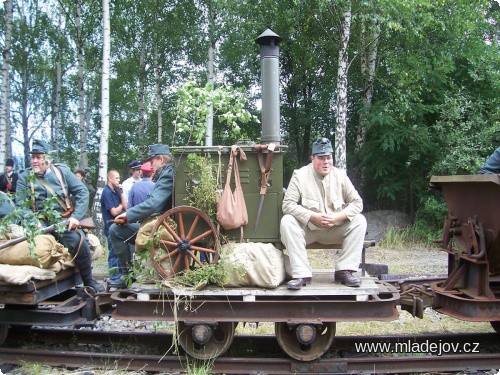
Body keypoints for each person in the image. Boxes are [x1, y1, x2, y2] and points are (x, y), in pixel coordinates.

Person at [15, 139, 104, 293]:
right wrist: (33, 221)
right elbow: (21, 204)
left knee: (79, 241)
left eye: (39, 157)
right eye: (33, 157)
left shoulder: (62, 172)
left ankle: (88, 281)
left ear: (48, 158)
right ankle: (34, 289)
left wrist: (76, 217)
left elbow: (82, 191)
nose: (35, 161)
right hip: (39, 225)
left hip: (63, 221)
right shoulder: (24, 177)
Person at [280, 137, 367, 290]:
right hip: (309, 230)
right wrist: (312, 216)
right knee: (287, 221)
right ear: (312, 159)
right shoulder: (299, 175)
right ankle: (301, 274)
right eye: (321, 158)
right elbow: (287, 205)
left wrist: (337, 217)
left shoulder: (340, 175)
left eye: (329, 157)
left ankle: (344, 271)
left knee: (359, 220)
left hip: (334, 229)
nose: (326, 162)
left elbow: (357, 203)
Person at [109, 144, 173, 284]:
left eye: (152, 162)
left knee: (115, 230)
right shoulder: (165, 174)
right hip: (162, 224)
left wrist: (128, 215)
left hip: (165, 228)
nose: (150, 166)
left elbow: (154, 204)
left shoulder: (168, 175)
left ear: (160, 159)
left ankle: (128, 276)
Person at [100, 169, 128, 288]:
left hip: (117, 226)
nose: (119, 180)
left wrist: (122, 193)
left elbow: (125, 207)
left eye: (119, 178)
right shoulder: (106, 193)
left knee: (119, 251)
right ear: (110, 179)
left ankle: (119, 276)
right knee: (113, 253)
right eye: (116, 178)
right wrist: (121, 205)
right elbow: (114, 211)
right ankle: (114, 277)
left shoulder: (116, 191)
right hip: (110, 226)